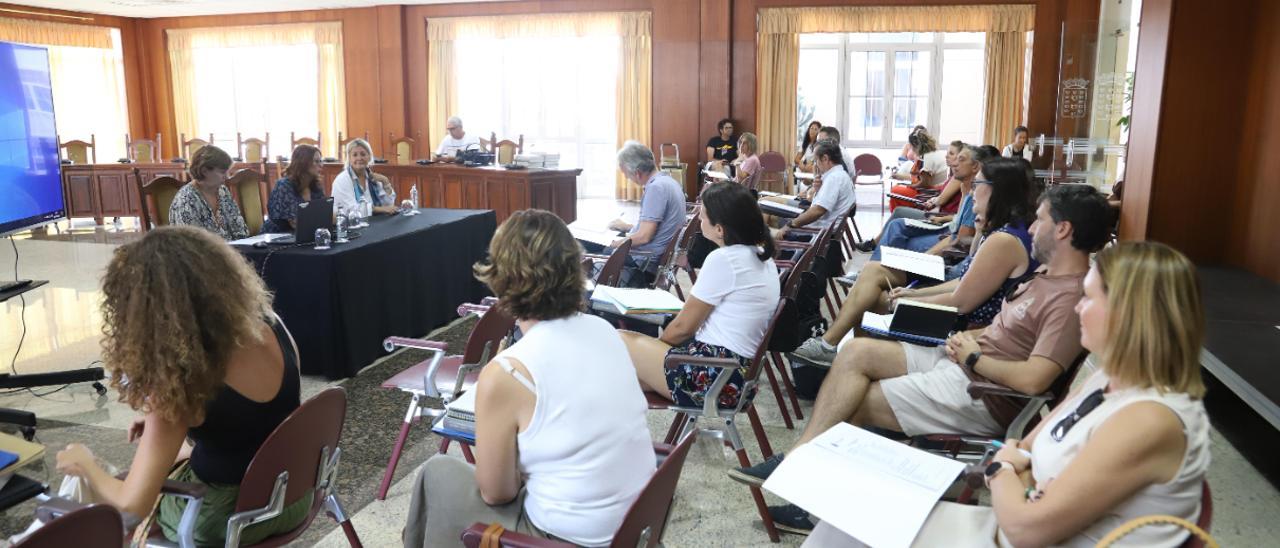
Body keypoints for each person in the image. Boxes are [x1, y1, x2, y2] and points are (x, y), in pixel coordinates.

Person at [733, 184, 1114, 535]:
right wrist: (970, 341)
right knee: (856, 351)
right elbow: (1010, 333)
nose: (1031, 228)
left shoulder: (1067, 299)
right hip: (963, 362)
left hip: (983, 392)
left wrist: (975, 356)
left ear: (1062, 230)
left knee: (857, 401)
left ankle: (814, 506)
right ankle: (802, 459)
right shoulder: (1044, 276)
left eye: (1041, 220)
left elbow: (1034, 379)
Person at [801, 240, 1210, 547]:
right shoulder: (1109, 378)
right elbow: (1023, 447)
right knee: (836, 526)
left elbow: (1027, 524)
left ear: (1130, 314)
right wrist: (1017, 474)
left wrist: (1003, 472)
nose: (1078, 308)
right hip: (1008, 524)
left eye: (1090, 298)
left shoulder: (1150, 420)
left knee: (841, 533)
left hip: (1013, 534)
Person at [403, 210, 654, 547]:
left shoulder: (508, 372)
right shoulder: (606, 331)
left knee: (438, 473)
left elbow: (497, 494)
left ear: (503, 278)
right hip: (634, 527)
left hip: (564, 538)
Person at [55, 226, 308, 545]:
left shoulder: (183, 379)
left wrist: (86, 465)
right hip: (293, 493)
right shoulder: (270, 325)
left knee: (107, 503)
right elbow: (261, 426)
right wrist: (173, 433)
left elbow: (135, 502)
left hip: (230, 517)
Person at [791, 157, 1038, 367]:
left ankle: (848, 356)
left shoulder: (1005, 240)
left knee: (876, 291)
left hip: (964, 330)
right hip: (964, 315)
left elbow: (961, 300)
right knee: (875, 286)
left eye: (978, 184)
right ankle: (852, 359)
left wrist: (911, 298)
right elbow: (967, 278)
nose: (973, 191)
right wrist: (911, 295)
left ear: (998, 190)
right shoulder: (1005, 231)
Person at [619, 182, 780, 409]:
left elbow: (683, 328)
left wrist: (654, 354)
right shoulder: (763, 257)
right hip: (738, 377)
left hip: (712, 376)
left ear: (720, 229)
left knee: (619, 339)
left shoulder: (725, 260)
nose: (698, 219)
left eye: (702, 216)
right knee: (621, 379)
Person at [853, 144, 984, 260]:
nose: (953, 161)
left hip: (943, 221)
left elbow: (958, 237)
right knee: (897, 224)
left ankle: (875, 269)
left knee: (897, 229)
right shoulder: (965, 188)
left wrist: (926, 257)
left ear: (975, 166)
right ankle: (873, 269)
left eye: (958, 158)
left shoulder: (973, 195)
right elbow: (958, 220)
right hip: (945, 221)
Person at [602, 141, 686, 287]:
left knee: (588, 247)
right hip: (657, 256)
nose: (629, 179)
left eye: (628, 175)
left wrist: (614, 244)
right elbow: (659, 226)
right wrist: (628, 227)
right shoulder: (669, 181)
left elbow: (644, 237)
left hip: (644, 262)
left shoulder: (656, 189)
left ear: (637, 173)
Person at [168, 145, 250, 240]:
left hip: (230, 252)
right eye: (222, 172)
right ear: (204, 171)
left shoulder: (222, 191)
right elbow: (192, 245)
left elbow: (240, 229)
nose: (227, 177)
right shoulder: (186, 199)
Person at [777, 141, 855, 236]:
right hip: (820, 230)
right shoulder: (840, 175)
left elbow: (817, 211)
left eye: (816, 160)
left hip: (814, 234)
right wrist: (817, 189)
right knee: (769, 220)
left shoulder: (834, 178)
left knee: (767, 222)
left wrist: (790, 225)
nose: (815, 165)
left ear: (825, 159)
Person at [263, 144, 325, 233]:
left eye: (320, 161)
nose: (321, 165)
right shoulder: (283, 186)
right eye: (316, 161)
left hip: (303, 235)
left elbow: (325, 214)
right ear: (303, 163)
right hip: (276, 237)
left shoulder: (315, 186)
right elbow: (296, 222)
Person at [888, 127, 949, 212]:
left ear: (916, 145)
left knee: (894, 191)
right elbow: (921, 179)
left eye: (911, 146)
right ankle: (899, 215)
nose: (911, 149)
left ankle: (898, 216)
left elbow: (924, 184)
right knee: (898, 188)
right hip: (935, 190)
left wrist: (910, 186)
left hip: (929, 193)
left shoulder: (927, 157)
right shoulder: (934, 153)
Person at [332, 138, 397, 216]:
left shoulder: (372, 177)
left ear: (369, 157)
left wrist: (385, 181)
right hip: (351, 224)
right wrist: (380, 209)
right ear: (349, 158)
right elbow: (352, 210)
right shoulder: (342, 180)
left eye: (363, 154)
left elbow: (389, 204)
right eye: (355, 155)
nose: (359, 158)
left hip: (373, 222)